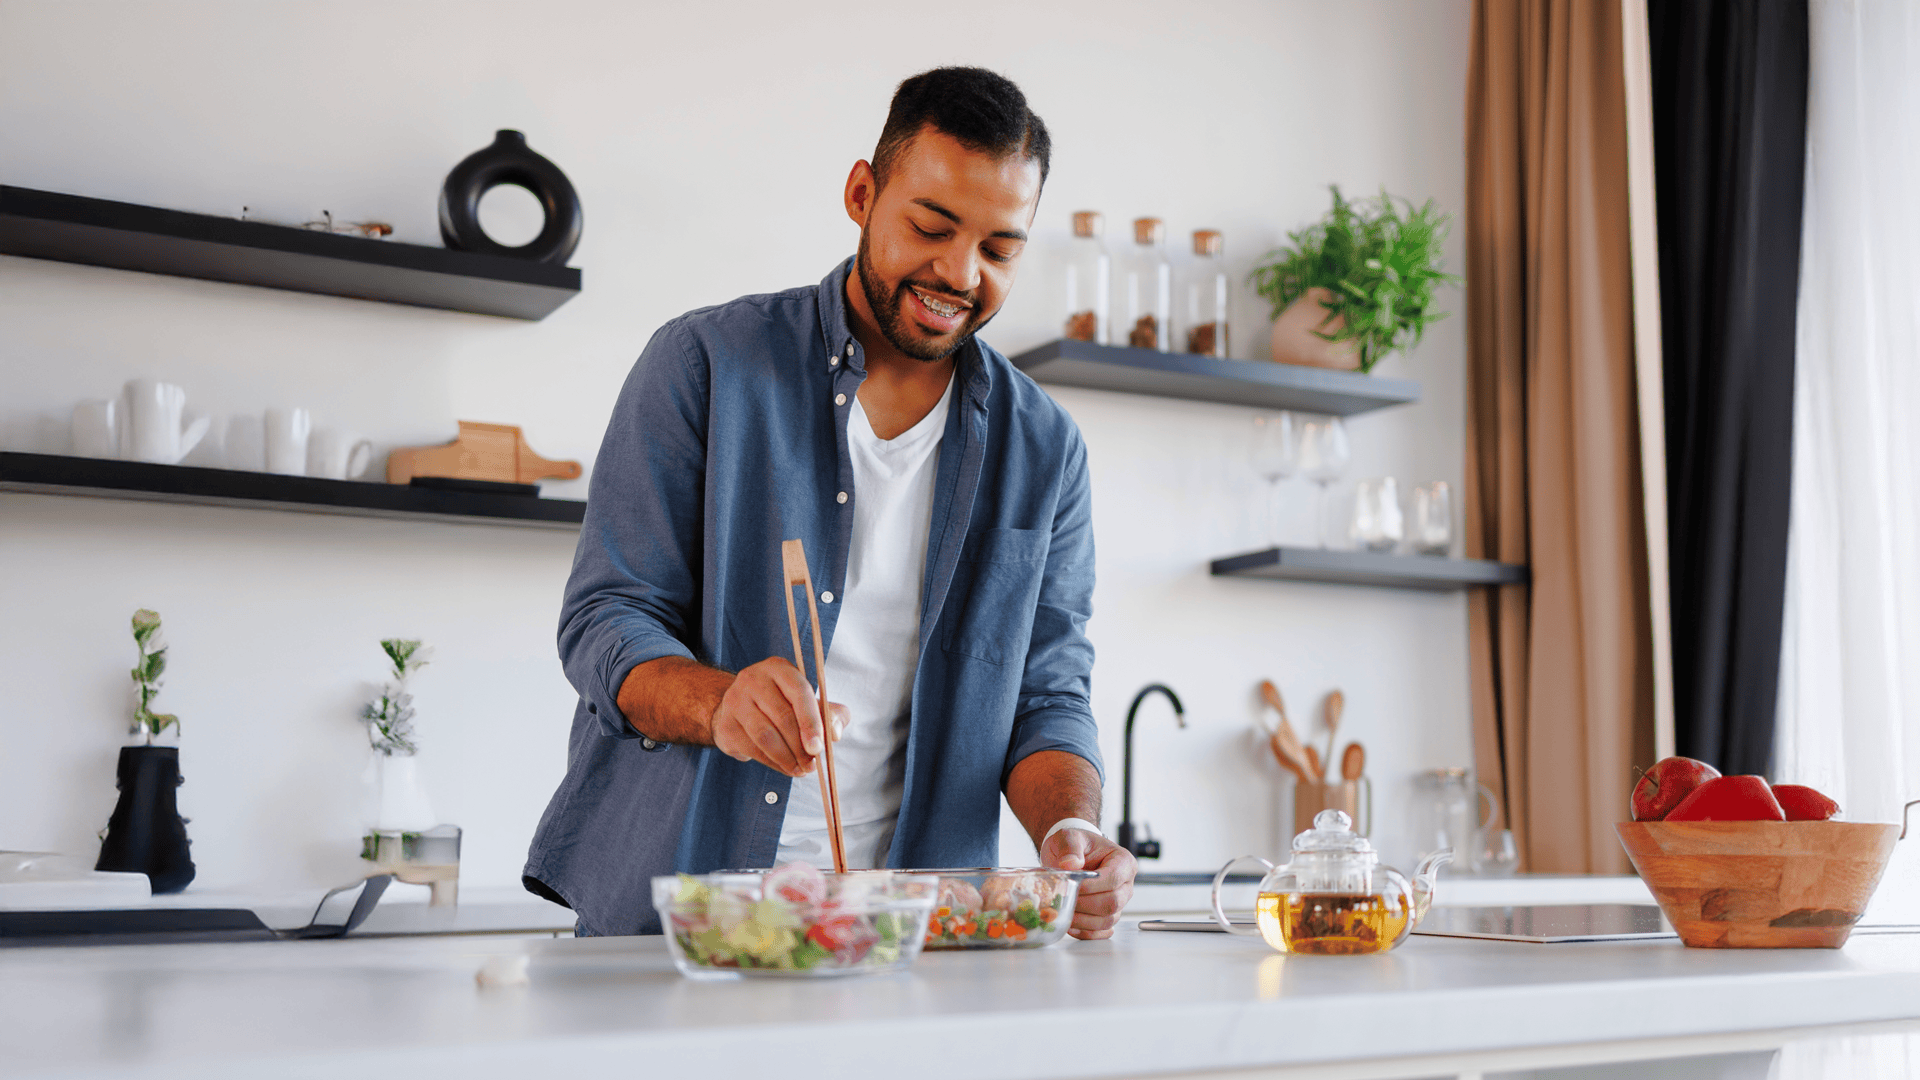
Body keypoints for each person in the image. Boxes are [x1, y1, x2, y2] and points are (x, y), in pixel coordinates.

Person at [523, 66, 1134, 938]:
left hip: (913, 935)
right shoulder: (704, 365)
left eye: (999, 250)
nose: (959, 272)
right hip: (686, 921)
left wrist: (1070, 827)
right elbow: (607, 617)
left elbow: (1048, 693)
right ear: (861, 195)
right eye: (931, 227)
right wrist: (721, 703)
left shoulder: (1045, 448)